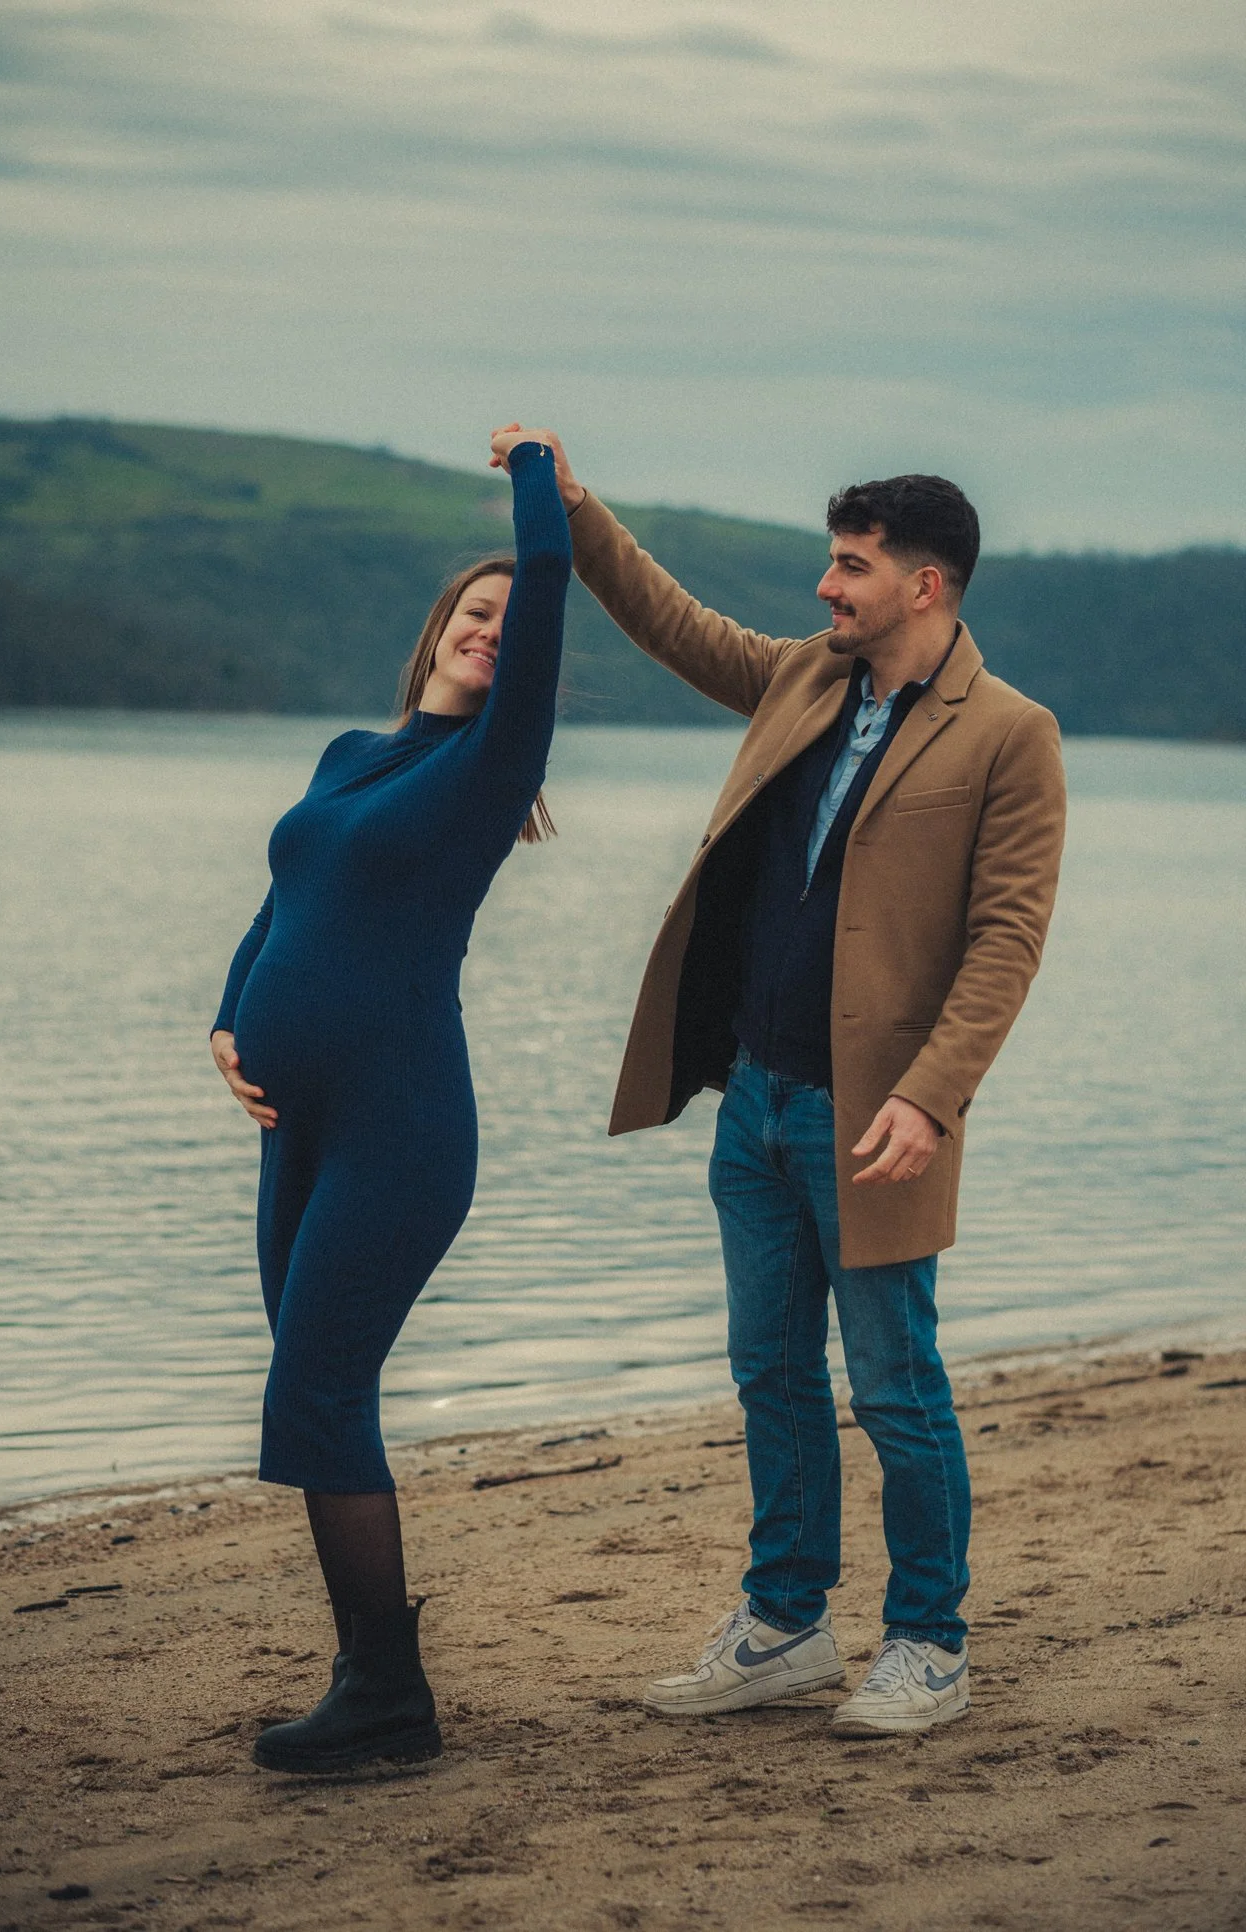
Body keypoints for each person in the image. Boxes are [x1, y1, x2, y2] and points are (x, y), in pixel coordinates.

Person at [489, 426, 1066, 1737]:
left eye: (851, 567)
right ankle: (787, 1624)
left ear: (927, 584)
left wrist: (931, 1094)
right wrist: (578, 514)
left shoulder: (1010, 737)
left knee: (896, 1388)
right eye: (828, 562)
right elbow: (678, 626)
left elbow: (1007, 936)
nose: (825, 588)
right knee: (770, 1371)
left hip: (875, 1121)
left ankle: (928, 1641)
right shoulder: (810, 679)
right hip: (754, 1100)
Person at [210, 433, 571, 1773]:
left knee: (314, 1393)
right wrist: (225, 1019)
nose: (496, 628)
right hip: (296, 1127)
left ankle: (387, 1699)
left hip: (401, 1131)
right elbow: (281, 898)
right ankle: (373, 1678)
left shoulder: (484, 772)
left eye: (514, 620)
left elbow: (545, 560)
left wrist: (537, 466)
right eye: (478, 612)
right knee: (315, 1396)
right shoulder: (351, 750)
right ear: (440, 626)